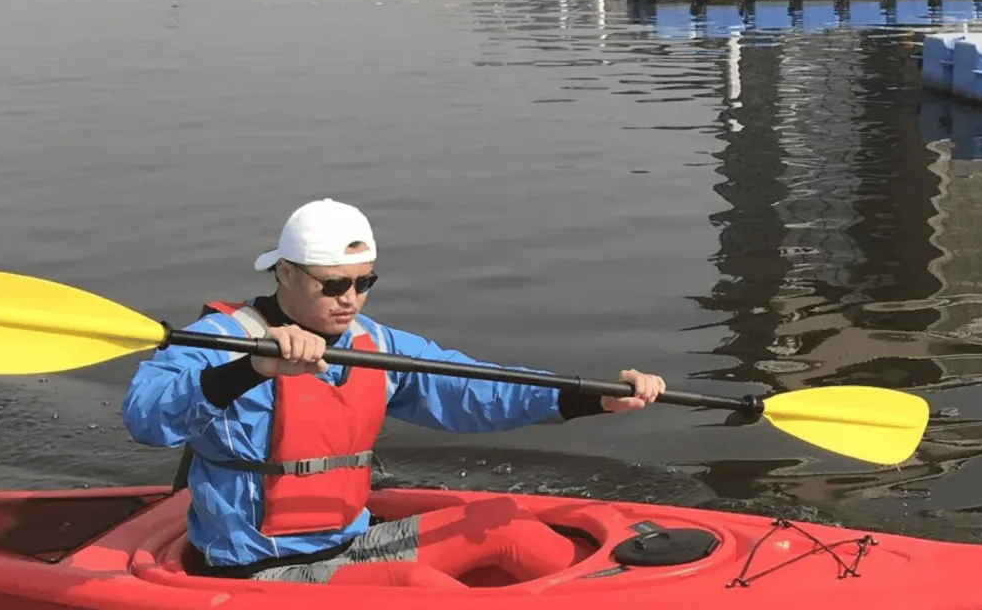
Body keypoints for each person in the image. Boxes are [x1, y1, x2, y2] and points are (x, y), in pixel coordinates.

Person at [122, 199, 665, 579]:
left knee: (504, 526)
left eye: (365, 282)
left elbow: (474, 390)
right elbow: (145, 418)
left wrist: (592, 397)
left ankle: (617, 600)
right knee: (416, 587)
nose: (350, 298)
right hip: (257, 566)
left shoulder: (375, 343)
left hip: (349, 544)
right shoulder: (219, 340)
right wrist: (252, 369)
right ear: (285, 273)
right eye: (333, 284)